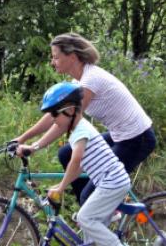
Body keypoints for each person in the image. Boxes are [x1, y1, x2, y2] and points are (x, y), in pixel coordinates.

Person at [14, 32, 156, 205]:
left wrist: (35, 147)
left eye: (56, 57)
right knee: (65, 154)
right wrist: (22, 138)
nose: (52, 62)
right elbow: (54, 116)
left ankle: (101, 212)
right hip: (120, 135)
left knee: (89, 197)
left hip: (137, 138)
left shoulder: (90, 80)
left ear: (72, 57)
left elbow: (63, 124)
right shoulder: (78, 83)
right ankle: (92, 213)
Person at [21, 82, 130, 246]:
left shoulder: (80, 131)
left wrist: (61, 187)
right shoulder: (78, 130)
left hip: (112, 182)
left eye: (54, 114)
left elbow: (76, 160)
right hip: (109, 182)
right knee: (90, 234)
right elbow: (80, 167)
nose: (52, 119)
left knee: (84, 218)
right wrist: (62, 183)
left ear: (70, 110)